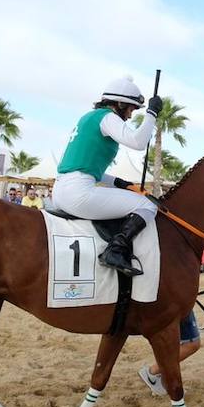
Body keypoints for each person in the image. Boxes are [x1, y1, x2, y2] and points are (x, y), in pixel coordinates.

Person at [49, 76, 160, 277]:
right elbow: (138, 142)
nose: (130, 115)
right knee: (148, 205)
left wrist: (119, 182)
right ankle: (115, 251)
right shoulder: (108, 117)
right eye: (131, 109)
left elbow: (86, 167)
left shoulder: (88, 117)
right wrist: (151, 114)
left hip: (60, 190)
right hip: (78, 192)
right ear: (119, 104)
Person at [137, 310, 203, 397]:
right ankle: (152, 373)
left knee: (186, 343)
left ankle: (157, 375)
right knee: (191, 344)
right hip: (175, 303)